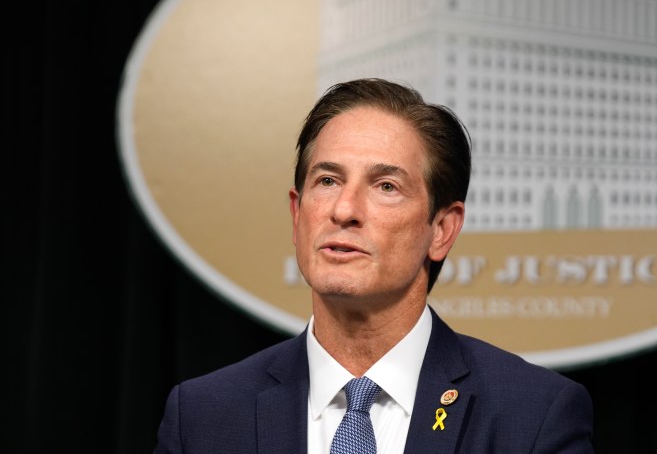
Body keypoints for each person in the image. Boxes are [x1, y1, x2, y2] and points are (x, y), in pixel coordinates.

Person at [153, 78, 595, 453]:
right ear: (297, 214)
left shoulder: (533, 415)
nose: (344, 209)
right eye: (327, 181)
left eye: (385, 185)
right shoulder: (202, 416)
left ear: (441, 229)